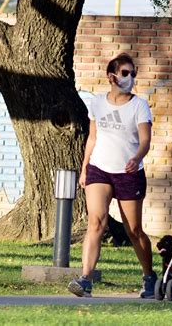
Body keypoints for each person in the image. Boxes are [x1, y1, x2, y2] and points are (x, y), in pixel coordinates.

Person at [68, 53, 157, 298]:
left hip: (129, 173)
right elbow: (93, 137)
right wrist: (85, 167)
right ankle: (85, 279)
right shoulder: (97, 103)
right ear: (112, 76)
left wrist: (137, 158)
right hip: (100, 169)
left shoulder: (139, 106)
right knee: (96, 221)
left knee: (134, 230)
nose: (131, 78)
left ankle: (149, 275)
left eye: (133, 73)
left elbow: (146, 140)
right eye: (125, 73)